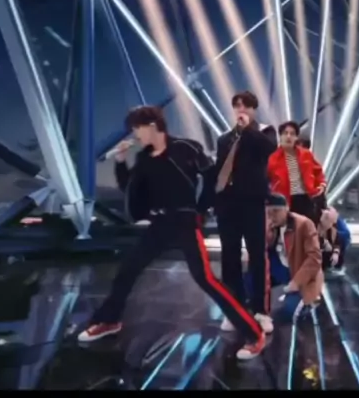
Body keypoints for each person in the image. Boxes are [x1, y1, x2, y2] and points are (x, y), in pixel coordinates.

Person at [78, 106, 266, 361]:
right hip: (160, 223)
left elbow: (212, 177)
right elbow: (129, 188)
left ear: (152, 125)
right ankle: (110, 320)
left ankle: (254, 333)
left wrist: (201, 208)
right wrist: (121, 162)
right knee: (128, 270)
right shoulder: (144, 158)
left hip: (185, 221)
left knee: (206, 279)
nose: (135, 135)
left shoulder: (186, 148)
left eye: (137, 128)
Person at [215, 91, 278, 334]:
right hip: (227, 206)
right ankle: (234, 309)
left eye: (246, 106)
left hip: (252, 203)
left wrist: (248, 129)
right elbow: (219, 171)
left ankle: (261, 311)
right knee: (229, 258)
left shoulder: (264, 132)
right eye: (237, 106)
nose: (241, 109)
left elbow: (269, 149)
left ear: (254, 109)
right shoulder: (224, 139)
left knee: (257, 257)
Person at [242, 193, 324, 323]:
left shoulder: (303, 224)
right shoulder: (269, 225)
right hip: (278, 268)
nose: (272, 216)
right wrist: (266, 232)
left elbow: (315, 257)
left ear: (287, 208)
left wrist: (297, 282)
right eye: (268, 212)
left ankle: (306, 302)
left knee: (287, 313)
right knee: (248, 279)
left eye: (276, 211)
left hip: (297, 271)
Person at [267, 121, 327, 224]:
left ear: (296, 138)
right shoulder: (273, 159)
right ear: (280, 136)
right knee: (290, 229)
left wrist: (321, 185)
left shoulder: (306, 154)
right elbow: (266, 179)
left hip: (306, 199)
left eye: (292, 134)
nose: (288, 136)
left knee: (308, 228)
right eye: (285, 133)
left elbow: (318, 171)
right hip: (286, 201)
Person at [317, 207, 351, 276]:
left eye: (333, 222)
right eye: (330, 222)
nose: (332, 224)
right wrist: (323, 242)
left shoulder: (333, 231)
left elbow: (337, 242)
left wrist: (336, 252)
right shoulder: (314, 228)